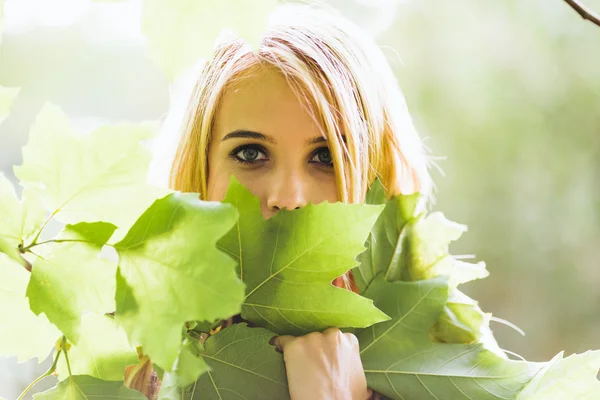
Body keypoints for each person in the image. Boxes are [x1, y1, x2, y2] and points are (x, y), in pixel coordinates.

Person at [155, 1, 434, 398]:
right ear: (200, 174)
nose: (288, 198)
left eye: (326, 158)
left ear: (376, 179)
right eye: (250, 153)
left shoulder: (441, 367)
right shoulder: (135, 369)